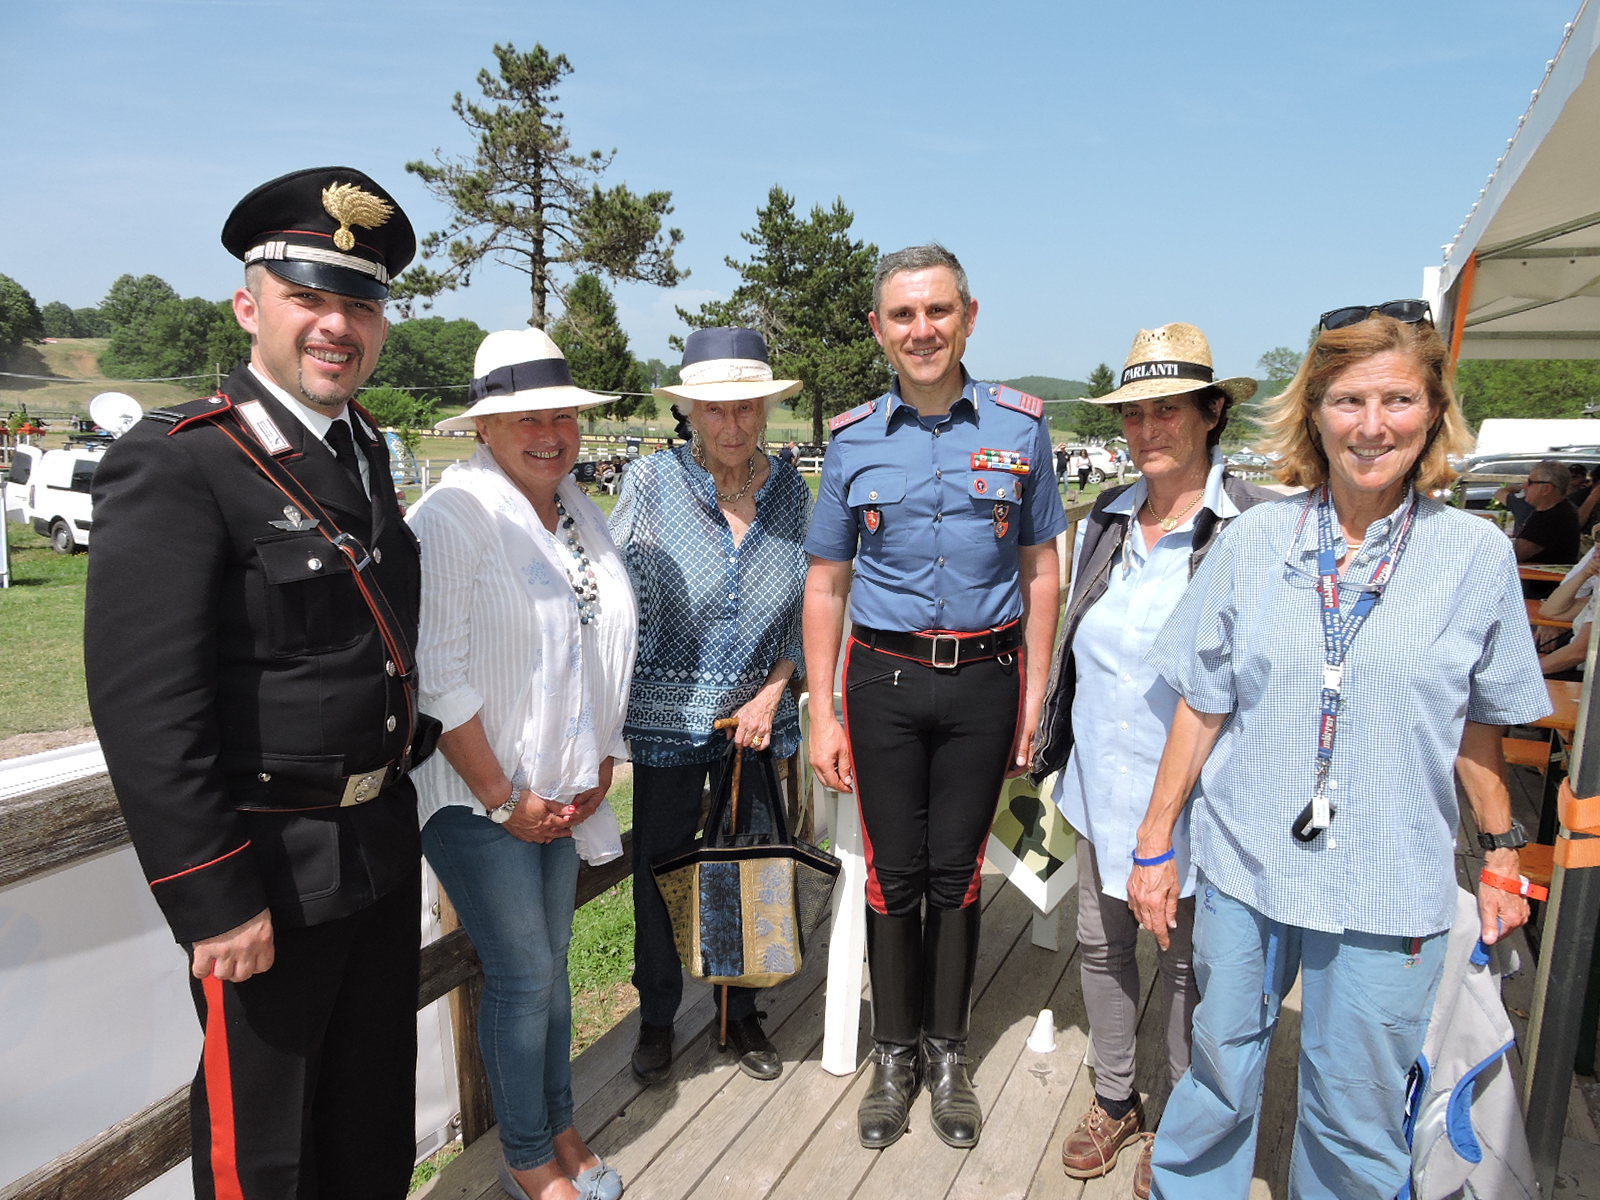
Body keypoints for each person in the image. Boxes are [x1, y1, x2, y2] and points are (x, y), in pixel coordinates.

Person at [1129, 300, 1549, 1199]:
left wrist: (1502, 850)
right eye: (1348, 401)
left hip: (1391, 873)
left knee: (1356, 1104)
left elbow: (1481, 722)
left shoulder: (1477, 556)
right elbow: (1201, 706)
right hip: (1246, 861)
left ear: (1433, 412)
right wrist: (1156, 844)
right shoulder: (1251, 540)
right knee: (1219, 1066)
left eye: (1396, 401)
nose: (1371, 426)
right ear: (1313, 413)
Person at [84, 167, 430, 1200]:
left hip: (373, 848)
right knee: (265, 1149)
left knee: (370, 1122)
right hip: (264, 867)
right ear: (249, 305)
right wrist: (213, 898)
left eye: (360, 303)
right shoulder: (180, 462)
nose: (337, 326)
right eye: (309, 297)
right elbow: (149, 709)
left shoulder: (361, 445)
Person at [804, 244, 1066, 1151]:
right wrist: (825, 713)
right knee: (890, 875)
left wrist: (1032, 696)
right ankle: (892, 1055)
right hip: (883, 681)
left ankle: (948, 1056)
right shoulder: (851, 440)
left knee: (956, 876)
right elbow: (827, 583)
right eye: (903, 316)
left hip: (987, 681)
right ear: (879, 330)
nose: (923, 330)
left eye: (938, 311)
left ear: (969, 316)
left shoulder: (1023, 429)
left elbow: (1041, 571)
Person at [1030, 323, 1269, 1198]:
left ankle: (1180, 1122)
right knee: (1100, 947)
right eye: (1134, 413)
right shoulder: (1108, 519)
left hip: (1201, 801)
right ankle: (1116, 1095)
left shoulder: (1253, 528)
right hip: (1102, 785)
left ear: (1212, 414)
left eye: (1169, 408)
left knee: (1187, 966)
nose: (1148, 428)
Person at [408, 327, 637, 1200]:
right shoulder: (455, 514)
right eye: (524, 417)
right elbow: (439, 670)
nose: (549, 432)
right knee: (523, 972)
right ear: (484, 427)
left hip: (561, 790)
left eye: (562, 416)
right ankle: (528, 1158)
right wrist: (504, 798)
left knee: (551, 966)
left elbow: (604, 644)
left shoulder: (575, 505)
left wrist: (603, 756)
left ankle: (561, 1123)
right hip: (482, 799)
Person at [610, 327, 811, 1085]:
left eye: (746, 408)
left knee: (746, 869)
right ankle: (657, 1016)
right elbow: (608, 593)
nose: (732, 426)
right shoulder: (651, 485)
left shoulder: (791, 489)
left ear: (765, 409)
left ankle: (740, 1012)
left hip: (756, 722)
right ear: (689, 410)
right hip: (665, 718)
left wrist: (773, 689)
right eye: (714, 410)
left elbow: (803, 608)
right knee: (662, 872)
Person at [1496, 458, 1580, 563]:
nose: (1525, 487)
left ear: (1546, 489)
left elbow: (1516, 554)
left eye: (1530, 482)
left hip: (1541, 578)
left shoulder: (1554, 517)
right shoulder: (1554, 511)